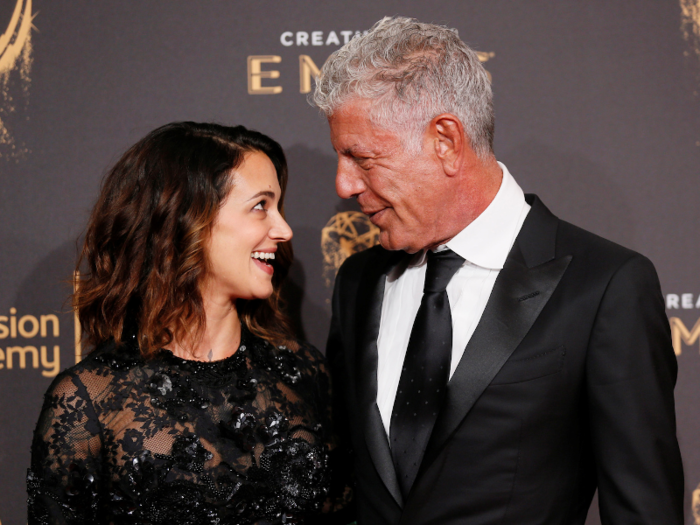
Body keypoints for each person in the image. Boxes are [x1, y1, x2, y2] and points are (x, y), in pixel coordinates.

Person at [313, 16, 684, 525]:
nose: (343, 184)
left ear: (445, 140)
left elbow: (644, 510)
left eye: (362, 157)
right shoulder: (359, 282)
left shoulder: (605, 287)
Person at [27, 122, 350, 524]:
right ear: (187, 219)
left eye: (279, 206)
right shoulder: (89, 403)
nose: (282, 229)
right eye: (260, 206)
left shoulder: (304, 373)